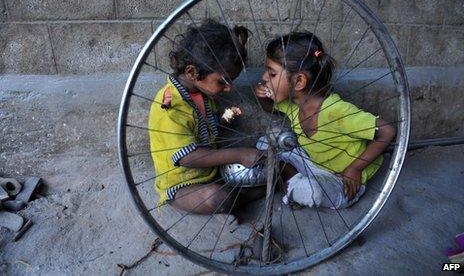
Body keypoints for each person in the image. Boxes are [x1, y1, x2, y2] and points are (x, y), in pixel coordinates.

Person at [254, 32, 396, 209]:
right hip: (312, 163)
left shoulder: (336, 111)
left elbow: (387, 131)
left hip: (341, 178)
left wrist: (354, 169)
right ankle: (294, 184)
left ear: (299, 81)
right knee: (263, 144)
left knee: (314, 191)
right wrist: (261, 96)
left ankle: (292, 184)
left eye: (272, 74)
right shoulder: (292, 104)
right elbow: (270, 108)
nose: (264, 78)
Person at [148, 20, 263, 214]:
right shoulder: (169, 107)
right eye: (223, 81)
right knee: (218, 198)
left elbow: (207, 127)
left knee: (261, 170)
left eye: (231, 81)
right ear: (192, 72)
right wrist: (239, 154)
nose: (229, 88)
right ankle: (237, 199)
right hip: (183, 183)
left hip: (211, 172)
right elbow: (187, 158)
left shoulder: (202, 94)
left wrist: (226, 118)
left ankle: (239, 196)